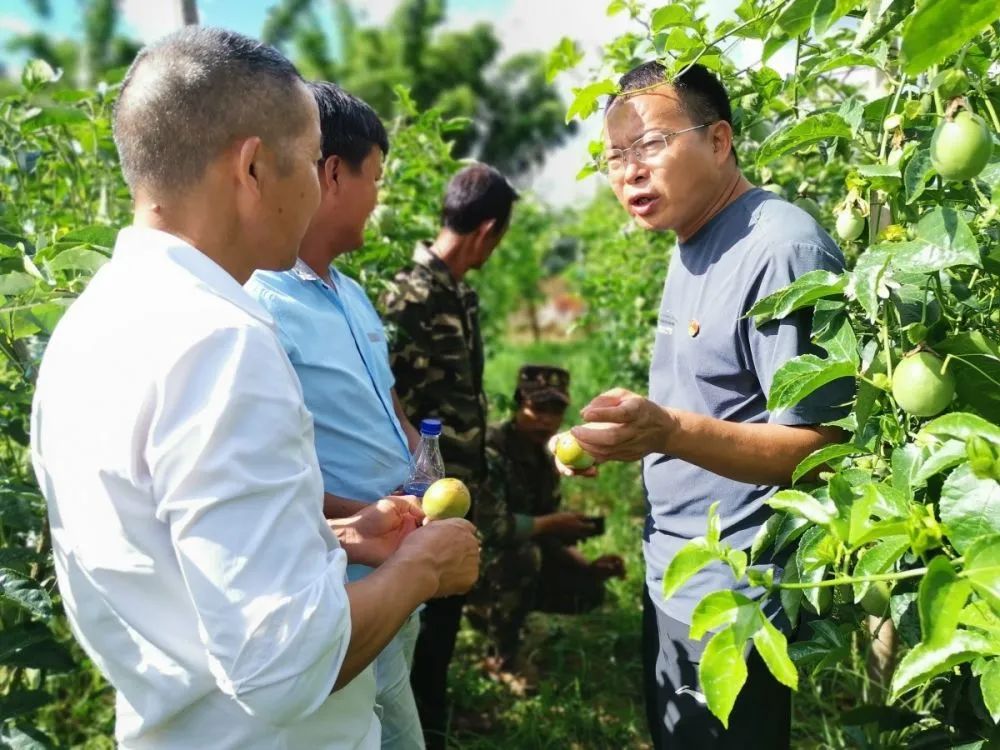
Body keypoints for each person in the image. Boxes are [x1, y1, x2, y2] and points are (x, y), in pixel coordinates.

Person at [30, 28, 478, 750]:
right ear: (253, 167)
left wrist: (335, 537)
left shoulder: (91, 325)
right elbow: (285, 665)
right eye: (306, 161)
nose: (314, 185)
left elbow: (175, 549)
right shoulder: (221, 342)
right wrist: (423, 568)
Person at [566, 62, 851, 749]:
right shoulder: (689, 240)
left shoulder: (781, 249)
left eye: (651, 146)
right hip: (675, 569)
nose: (629, 172)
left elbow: (824, 454)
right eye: (615, 156)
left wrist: (667, 430)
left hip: (738, 598)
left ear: (719, 141)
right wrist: (632, 434)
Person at [245, 81, 426, 750]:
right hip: (343, 585)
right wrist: (371, 518)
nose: (378, 199)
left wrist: (418, 459)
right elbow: (265, 473)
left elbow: (384, 395)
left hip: (396, 558)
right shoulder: (257, 304)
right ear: (332, 174)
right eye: (374, 178)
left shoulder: (351, 294)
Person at [382, 163, 518, 749]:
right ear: (488, 231)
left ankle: (432, 725)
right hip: (416, 500)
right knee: (413, 629)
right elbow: (381, 402)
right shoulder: (404, 297)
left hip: (461, 492)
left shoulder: (462, 295)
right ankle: (416, 731)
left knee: (443, 626)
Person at [468, 365, 625, 685]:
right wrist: (552, 524)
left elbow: (545, 531)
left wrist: (588, 566)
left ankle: (506, 616)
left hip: (514, 552)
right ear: (518, 404)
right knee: (523, 557)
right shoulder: (492, 450)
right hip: (472, 560)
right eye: (538, 408)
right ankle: (502, 656)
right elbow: (490, 528)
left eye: (555, 411)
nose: (546, 420)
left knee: (588, 589)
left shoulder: (546, 455)